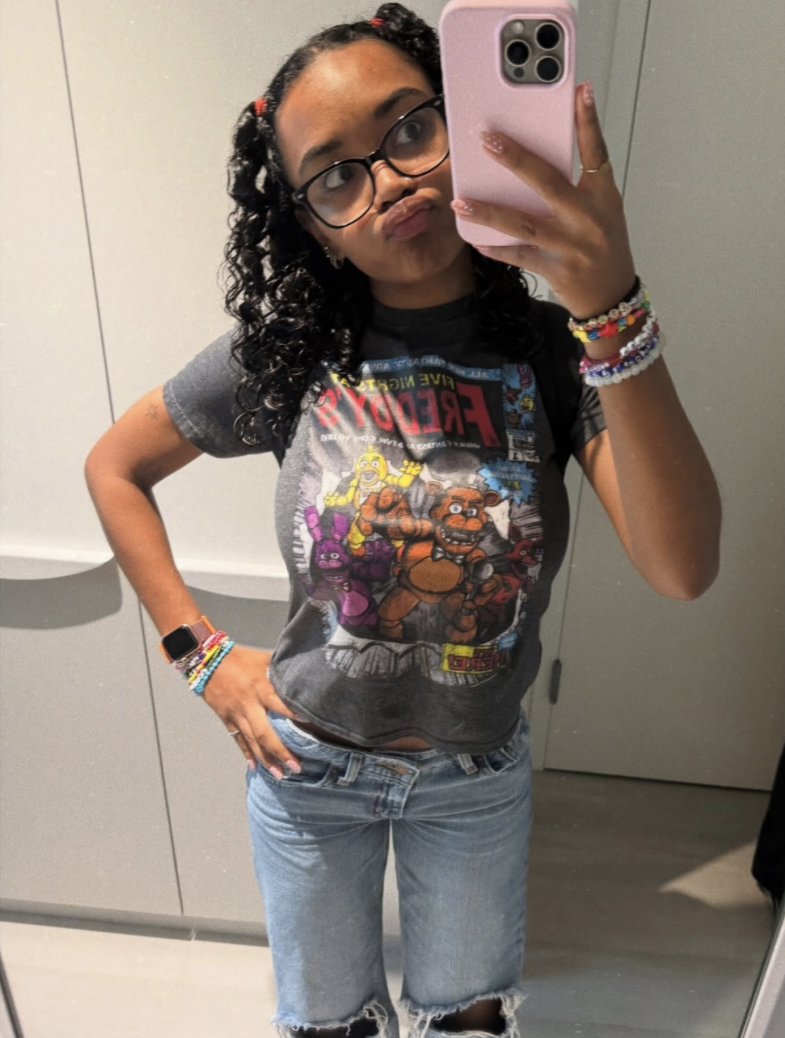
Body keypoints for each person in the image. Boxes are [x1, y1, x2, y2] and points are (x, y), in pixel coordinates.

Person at [84, 5, 721, 1036]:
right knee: (326, 1024)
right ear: (310, 222)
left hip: (473, 778)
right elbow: (114, 467)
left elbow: (681, 567)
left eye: (410, 128)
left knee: (467, 1021)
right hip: (305, 768)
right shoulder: (285, 356)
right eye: (335, 175)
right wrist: (201, 657)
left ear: (464, 120)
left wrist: (611, 306)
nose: (385, 181)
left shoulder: (556, 353)